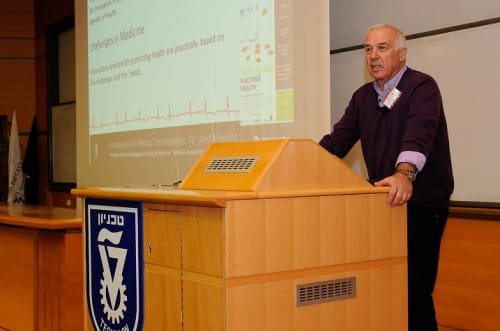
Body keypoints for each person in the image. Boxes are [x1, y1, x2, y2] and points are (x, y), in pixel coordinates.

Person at [319, 24, 454, 331]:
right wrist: (297, 164)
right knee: (380, 290)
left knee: (413, 293)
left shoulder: (422, 88)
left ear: (402, 53)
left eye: (382, 48)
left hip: (421, 206)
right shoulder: (363, 97)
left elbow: (418, 137)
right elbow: (335, 144)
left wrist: (404, 174)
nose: (373, 56)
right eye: (368, 49)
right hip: (381, 206)